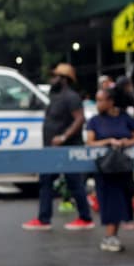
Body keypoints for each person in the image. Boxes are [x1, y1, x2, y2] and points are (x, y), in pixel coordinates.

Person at [23, 63, 93, 231]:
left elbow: (79, 119)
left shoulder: (71, 97)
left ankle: (85, 218)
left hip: (67, 149)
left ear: (64, 80)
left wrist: (64, 137)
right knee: (46, 181)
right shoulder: (55, 97)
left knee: (75, 183)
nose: (51, 79)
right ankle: (44, 218)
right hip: (52, 150)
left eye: (55, 77)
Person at [86, 87, 134, 252]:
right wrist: (109, 141)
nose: (98, 104)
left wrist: (125, 142)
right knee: (109, 202)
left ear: (111, 102)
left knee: (123, 199)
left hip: (122, 165)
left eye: (101, 100)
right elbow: (90, 142)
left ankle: (112, 236)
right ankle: (109, 236)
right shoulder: (94, 120)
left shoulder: (125, 118)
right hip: (105, 167)